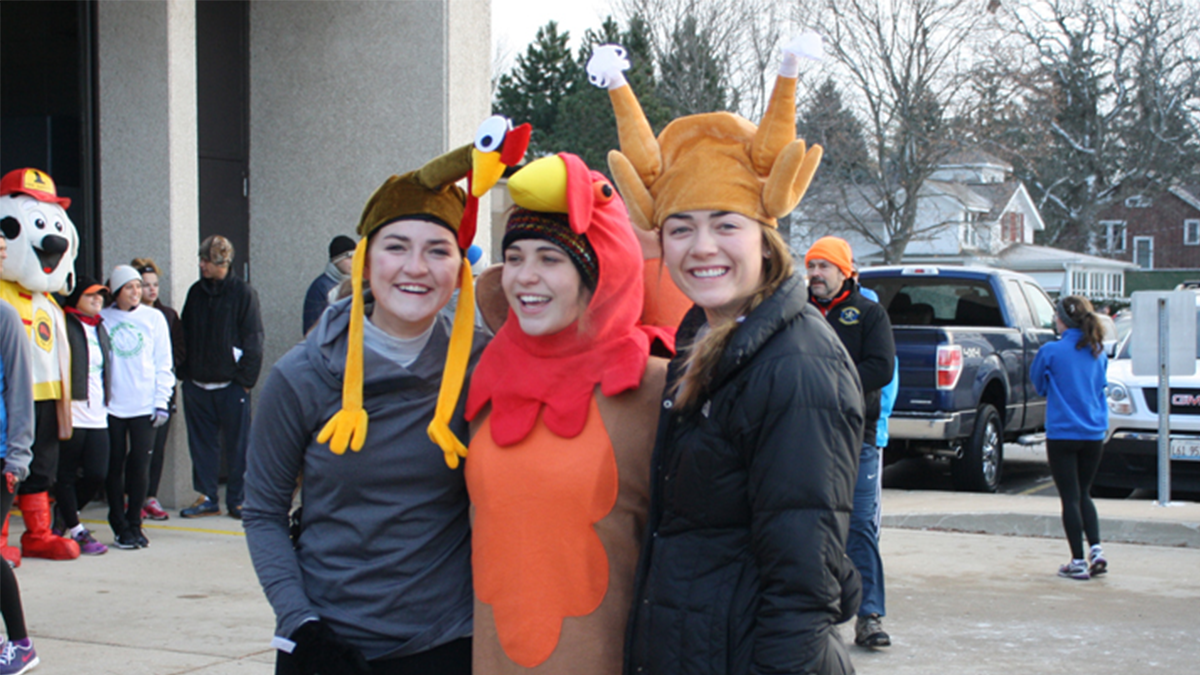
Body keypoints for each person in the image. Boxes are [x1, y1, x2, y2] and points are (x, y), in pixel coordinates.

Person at [589, 33, 862, 674]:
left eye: (726, 224)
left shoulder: (795, 367)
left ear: (766, 239)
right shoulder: (704, 340)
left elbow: (802, 584)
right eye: (681, 227)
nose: (701, 246)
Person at [244, 126, 521, 674]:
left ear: (460, 268)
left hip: (446, 641)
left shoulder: (486, 365)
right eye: (397, 246)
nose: (416, 268)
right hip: (328, 643)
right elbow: (263, 512)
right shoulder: (302, 374)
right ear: (367, 261)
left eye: (437, 250)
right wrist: (300, 624)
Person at [464, 153, 668, 674]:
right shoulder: (483, 382)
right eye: (514, 257)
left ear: (594, 275)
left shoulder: (652, 388)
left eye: (550, 259)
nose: (525, 277)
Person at [806, 236, 896, 648]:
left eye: (824, 266)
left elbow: (880, 367)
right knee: (808, 525)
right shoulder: (799, 312)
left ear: (845, 271)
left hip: (856, 436)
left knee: (858, 527)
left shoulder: (869, 313)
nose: (816, 274)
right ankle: (814, 619)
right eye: (811, 266)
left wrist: (829, 384)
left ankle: (870, 616)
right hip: (804, 436)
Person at [179, 235, 263, 519]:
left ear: (221, 263)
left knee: (239, 445)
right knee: (201, 444)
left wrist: (245, 381)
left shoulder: (243, 294)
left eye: (207, 261)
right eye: (201, 260)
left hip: (231, 385)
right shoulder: (195, 293)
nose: (202, 265)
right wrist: (185, 374)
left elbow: (254, 339)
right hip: (197, 383)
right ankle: (206, 496)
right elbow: (184, 333)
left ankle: (238, 499)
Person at [1031, 295, 1109, 580]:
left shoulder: (1050, 351)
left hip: (1063, 432)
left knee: (1070, 497)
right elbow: (1100, 385)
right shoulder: (1098, 350)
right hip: (1093, 432)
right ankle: (1096, 549)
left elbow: (1039, 385)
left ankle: (1077, 560)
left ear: (1062, 319)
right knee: (1085, 492)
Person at [100, 265, 174, 549]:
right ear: (116, 291)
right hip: (113, 407)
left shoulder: (154, 318)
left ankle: (135, 523)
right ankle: (118, 524)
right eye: (129, 287)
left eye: (138, 286)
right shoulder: (103, 318)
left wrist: (161, 400)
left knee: (140, 467)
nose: (136, 292)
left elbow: (163, 362)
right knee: (113, 466)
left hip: (144, 405)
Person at [0, 248, 40, 674]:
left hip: (1, 459)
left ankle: (21, 643)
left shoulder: (5, 317)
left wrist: (17, 456)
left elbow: (19, 390)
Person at [56, 276, 112, 555]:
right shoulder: (65, 324)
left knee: (96, 473)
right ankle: (76, 528)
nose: (97, 300)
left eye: (100, 296)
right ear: (76, 298)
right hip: (74, 409)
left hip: (98, 410)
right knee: (65, 472)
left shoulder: (100, 327)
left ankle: (64, 516)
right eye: (91, 296)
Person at [129, 258, 184, 522]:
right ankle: (132, 498)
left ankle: (150, 495)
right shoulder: (122, 316)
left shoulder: (168, 316)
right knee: (133, 451)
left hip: (161, 392)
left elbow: (179, 353)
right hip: (130, 395)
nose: (151, 290)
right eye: (144, 285)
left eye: (155, 285)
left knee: (157, 448)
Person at [302, 235, 356, 334]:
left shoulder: (358, 283)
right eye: (349, 257)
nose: (354, 262)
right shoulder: (320, 287)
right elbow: (311, 331)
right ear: (336, 260)